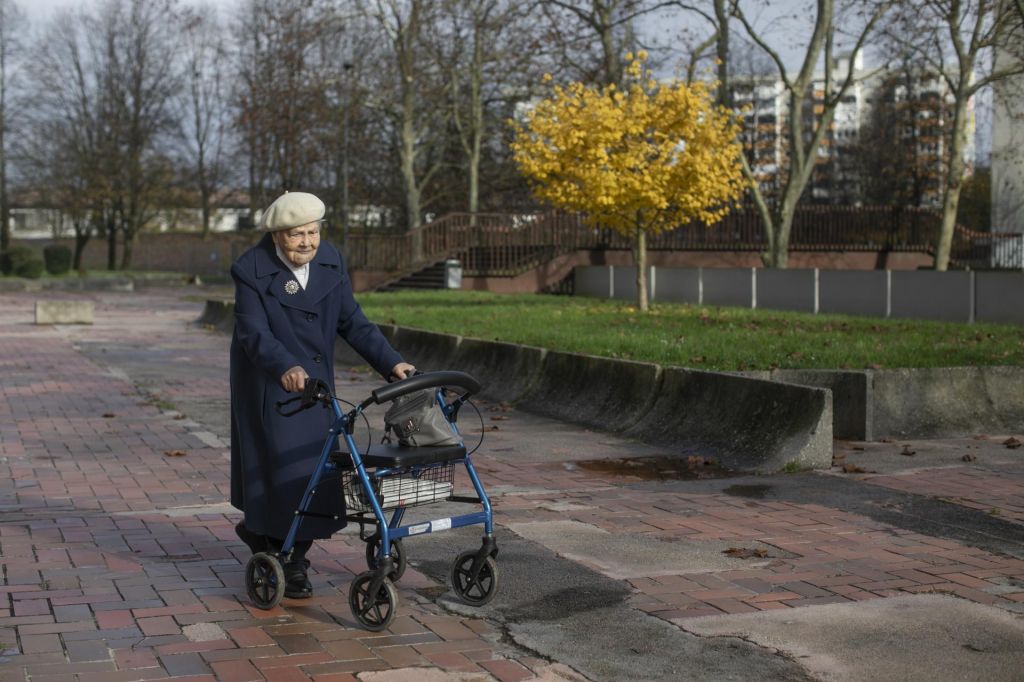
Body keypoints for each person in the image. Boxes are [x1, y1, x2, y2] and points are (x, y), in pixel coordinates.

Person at [229, 191, 414, 599]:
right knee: (280, 472)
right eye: (297, 235)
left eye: (313, 233)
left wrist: (391, 362)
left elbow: (354, 322)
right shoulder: (251, 270)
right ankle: (286, 557)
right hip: (271, 385)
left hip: (317, 390)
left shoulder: (329, 260)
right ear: (278, 235)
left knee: (316, 471)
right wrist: (286, 367)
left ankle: (285, 548)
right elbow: (253, 334)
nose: (307, 243)